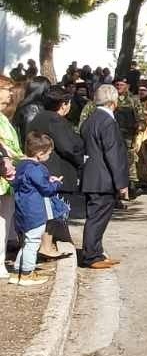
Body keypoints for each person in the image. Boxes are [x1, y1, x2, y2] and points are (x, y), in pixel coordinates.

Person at [24, 89, 82, 260]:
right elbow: (67, 147)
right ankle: (46, 246)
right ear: (63, 104)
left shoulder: (38, 117)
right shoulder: (55, 120)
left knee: (48, 210)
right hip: (55, 170)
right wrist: (81, 160)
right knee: (53, 210)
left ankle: (49, 243)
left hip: (41, 168)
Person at [80, 84, 130, 270]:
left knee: (96, 216)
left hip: (92, 176)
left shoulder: (90, 119)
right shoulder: (107, 122)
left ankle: (97, 251)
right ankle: (91, 256)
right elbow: (113, 153)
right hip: (103, 178)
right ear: (113, 101)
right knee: (97, 218)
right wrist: (121, 183)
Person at [8, 132, 65, 287]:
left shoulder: (21, 166)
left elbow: (28, 182)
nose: (49, 156)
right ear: (40, 153)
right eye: (48, 153)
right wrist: (56, 183)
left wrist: (47, 180)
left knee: (27, 242)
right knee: (33, 242)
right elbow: (46, 189)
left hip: (22, 209)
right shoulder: (37, 168)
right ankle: (27, 274)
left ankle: (17, 272)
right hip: (34, 211)